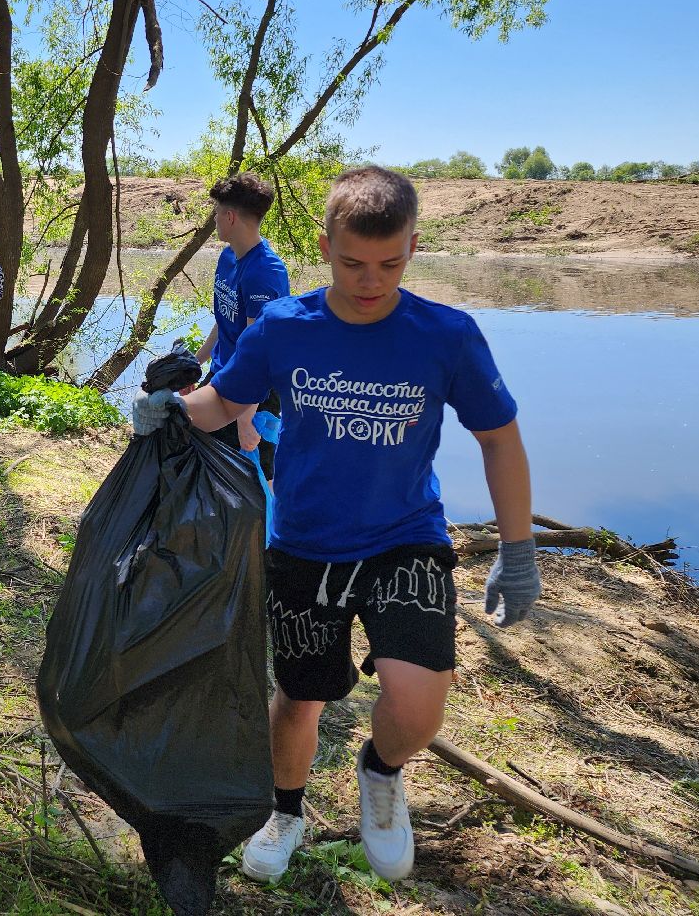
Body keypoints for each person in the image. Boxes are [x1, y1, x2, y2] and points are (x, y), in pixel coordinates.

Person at [133, 166, 541, 884]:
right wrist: (170, 412)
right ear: (325, 245)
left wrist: (519, 549)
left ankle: (381, 774)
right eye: (353, 262)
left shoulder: (446, 335)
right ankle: (284, 811)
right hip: (304, 543)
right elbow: (225, 403)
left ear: (413, 246)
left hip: (404, 537)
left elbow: (499, 438)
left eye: (389, 262)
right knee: (299, 699)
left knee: (417, 704)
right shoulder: (285, 326)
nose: (370, 279)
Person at [194, 172, 290, 476]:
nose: (214, 219)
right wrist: (194, 363)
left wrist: (245, 418)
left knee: (256, 480)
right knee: (205, 461)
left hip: (255, 393)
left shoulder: (265, 272)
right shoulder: (228, 257)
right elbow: (225, 320)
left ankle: (269, 525)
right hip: (224, 375)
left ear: (230, 216)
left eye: (216, 212)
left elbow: (258, 350)